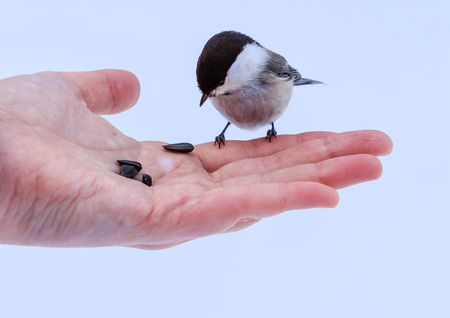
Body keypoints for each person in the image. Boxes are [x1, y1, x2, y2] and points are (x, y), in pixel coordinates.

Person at [0, 69, 393, 249]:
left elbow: (283, 79)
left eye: (214, 88)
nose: (211, 96)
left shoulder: (266, 68)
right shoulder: (222, 88)